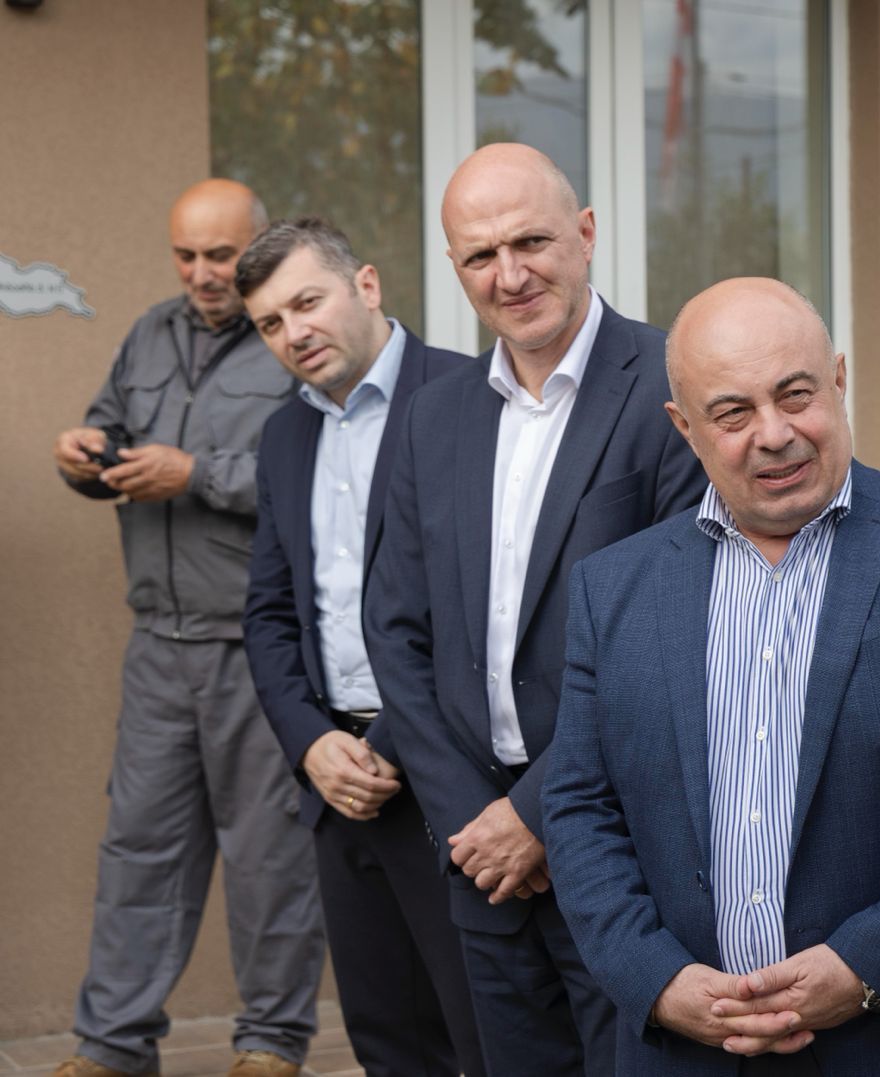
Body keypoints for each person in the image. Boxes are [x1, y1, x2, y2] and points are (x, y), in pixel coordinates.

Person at [540, 276, 880, 1075]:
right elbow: (580, 808)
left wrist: (866, 966)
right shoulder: (612, 588)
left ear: (839, 379)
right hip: (694, 1053)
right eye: (733, 413)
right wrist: (656, 980)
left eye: (796, 395)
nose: (775, 433)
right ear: (684, 427)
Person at [363, 143, 706, 1076]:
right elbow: (394, 632)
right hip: (481, 859)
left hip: (628, 848)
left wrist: (539, 813)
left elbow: (676, 636)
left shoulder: (673, 386)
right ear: (455, 268)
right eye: (481, 255)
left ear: (586, 233)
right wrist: (475, 820)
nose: (509, 275)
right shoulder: (432, 417)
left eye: (531, 242)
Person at [49, 180, 324, 1077]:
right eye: (186, 254)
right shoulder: (147, 334)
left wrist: (196, 474)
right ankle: (112, 1046)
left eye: (221, 255)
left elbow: (317, 477)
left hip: (257, 647)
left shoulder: (293, 338)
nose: (203, 273)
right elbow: (110, 429)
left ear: (258, 245)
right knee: (138, 851)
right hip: (158, 645)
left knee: (269, 857)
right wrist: (84, 456)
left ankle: (271, 1044)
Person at [236, 217, 486, 1077]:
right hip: (337, 783)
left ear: (367, 285)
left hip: (450, 773)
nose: (294, 331)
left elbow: (480, 606)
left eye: (307, 301)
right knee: (385, 1037)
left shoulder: (469, 397)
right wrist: (311, 744)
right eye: (271, 322)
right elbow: (270, 612)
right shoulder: (284, 435)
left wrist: (384, 741)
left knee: (486, 1033)